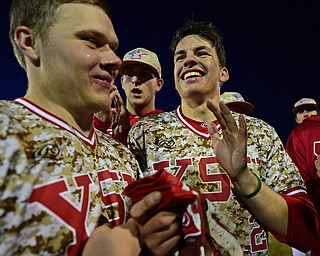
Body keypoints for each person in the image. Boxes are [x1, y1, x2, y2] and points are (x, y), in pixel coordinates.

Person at [0, 1, 181, 255]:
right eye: (91, 41)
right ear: (30, 43)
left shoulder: (122, 155)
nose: (114, 60)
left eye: (112, 47)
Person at [127, 20, 319, 255]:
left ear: (223, 73)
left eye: (201, 53)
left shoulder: (259, 133)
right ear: (175, 79)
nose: (188, 60)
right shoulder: (144, 133)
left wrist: (243, 178)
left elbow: (306, 231)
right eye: (180, 57)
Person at [93, 47, 164, 144]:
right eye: (130, 74)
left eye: (144, 74)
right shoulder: (105, 118)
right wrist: (99, 126)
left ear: (158, 84)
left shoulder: (165, 124)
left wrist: (123, 136)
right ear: (122, 82)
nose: (135, 80)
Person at [286, 98, 320, 256]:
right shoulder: (294, 137)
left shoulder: (294, 137)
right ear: (295, 118)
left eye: (309, 109)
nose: (306, 113)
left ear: (316, 112)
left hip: (307, 208)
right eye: (301, 111)